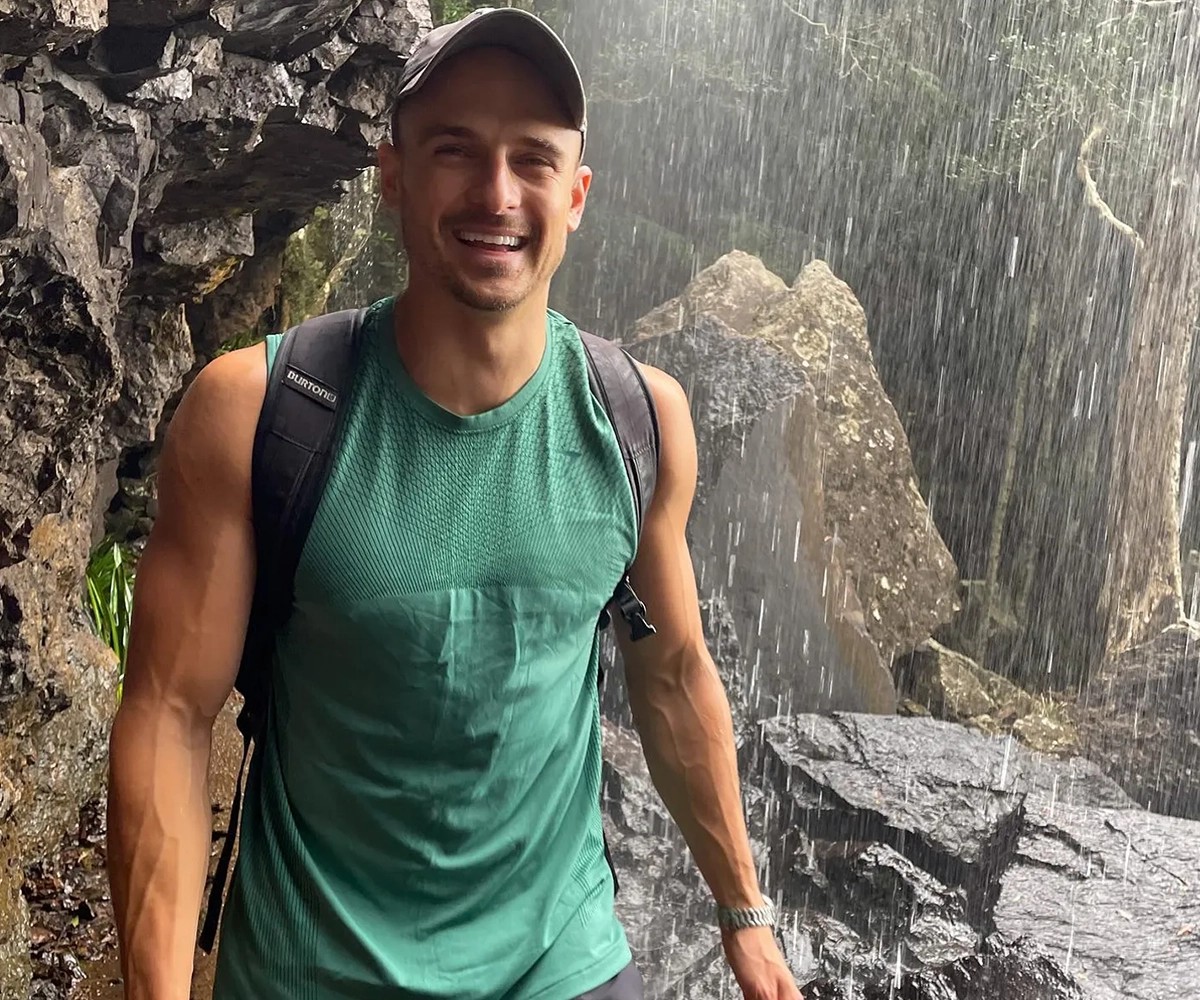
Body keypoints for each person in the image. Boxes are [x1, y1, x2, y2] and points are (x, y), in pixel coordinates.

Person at [106, 8, 800, 1000]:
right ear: (392, 175)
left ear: (577, 195)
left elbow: (676, 675)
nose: (497, 193)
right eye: (455, 150)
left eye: (533, 159)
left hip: (562, 965)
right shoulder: (258, 413)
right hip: (315, 973)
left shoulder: (640, 421)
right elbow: (170, 716)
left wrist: (745, 915)